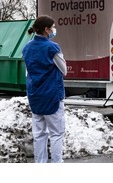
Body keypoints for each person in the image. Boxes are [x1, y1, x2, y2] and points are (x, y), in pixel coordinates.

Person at [22, 15, 67, 163]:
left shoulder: (27, 47)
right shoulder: (52, 47)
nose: (54, 30)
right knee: (56, 134)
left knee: (39, 134)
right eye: (53, 27)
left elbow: (28, 71)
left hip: (35, 95)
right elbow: (64, 70)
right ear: (47, 30)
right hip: (52, 95)